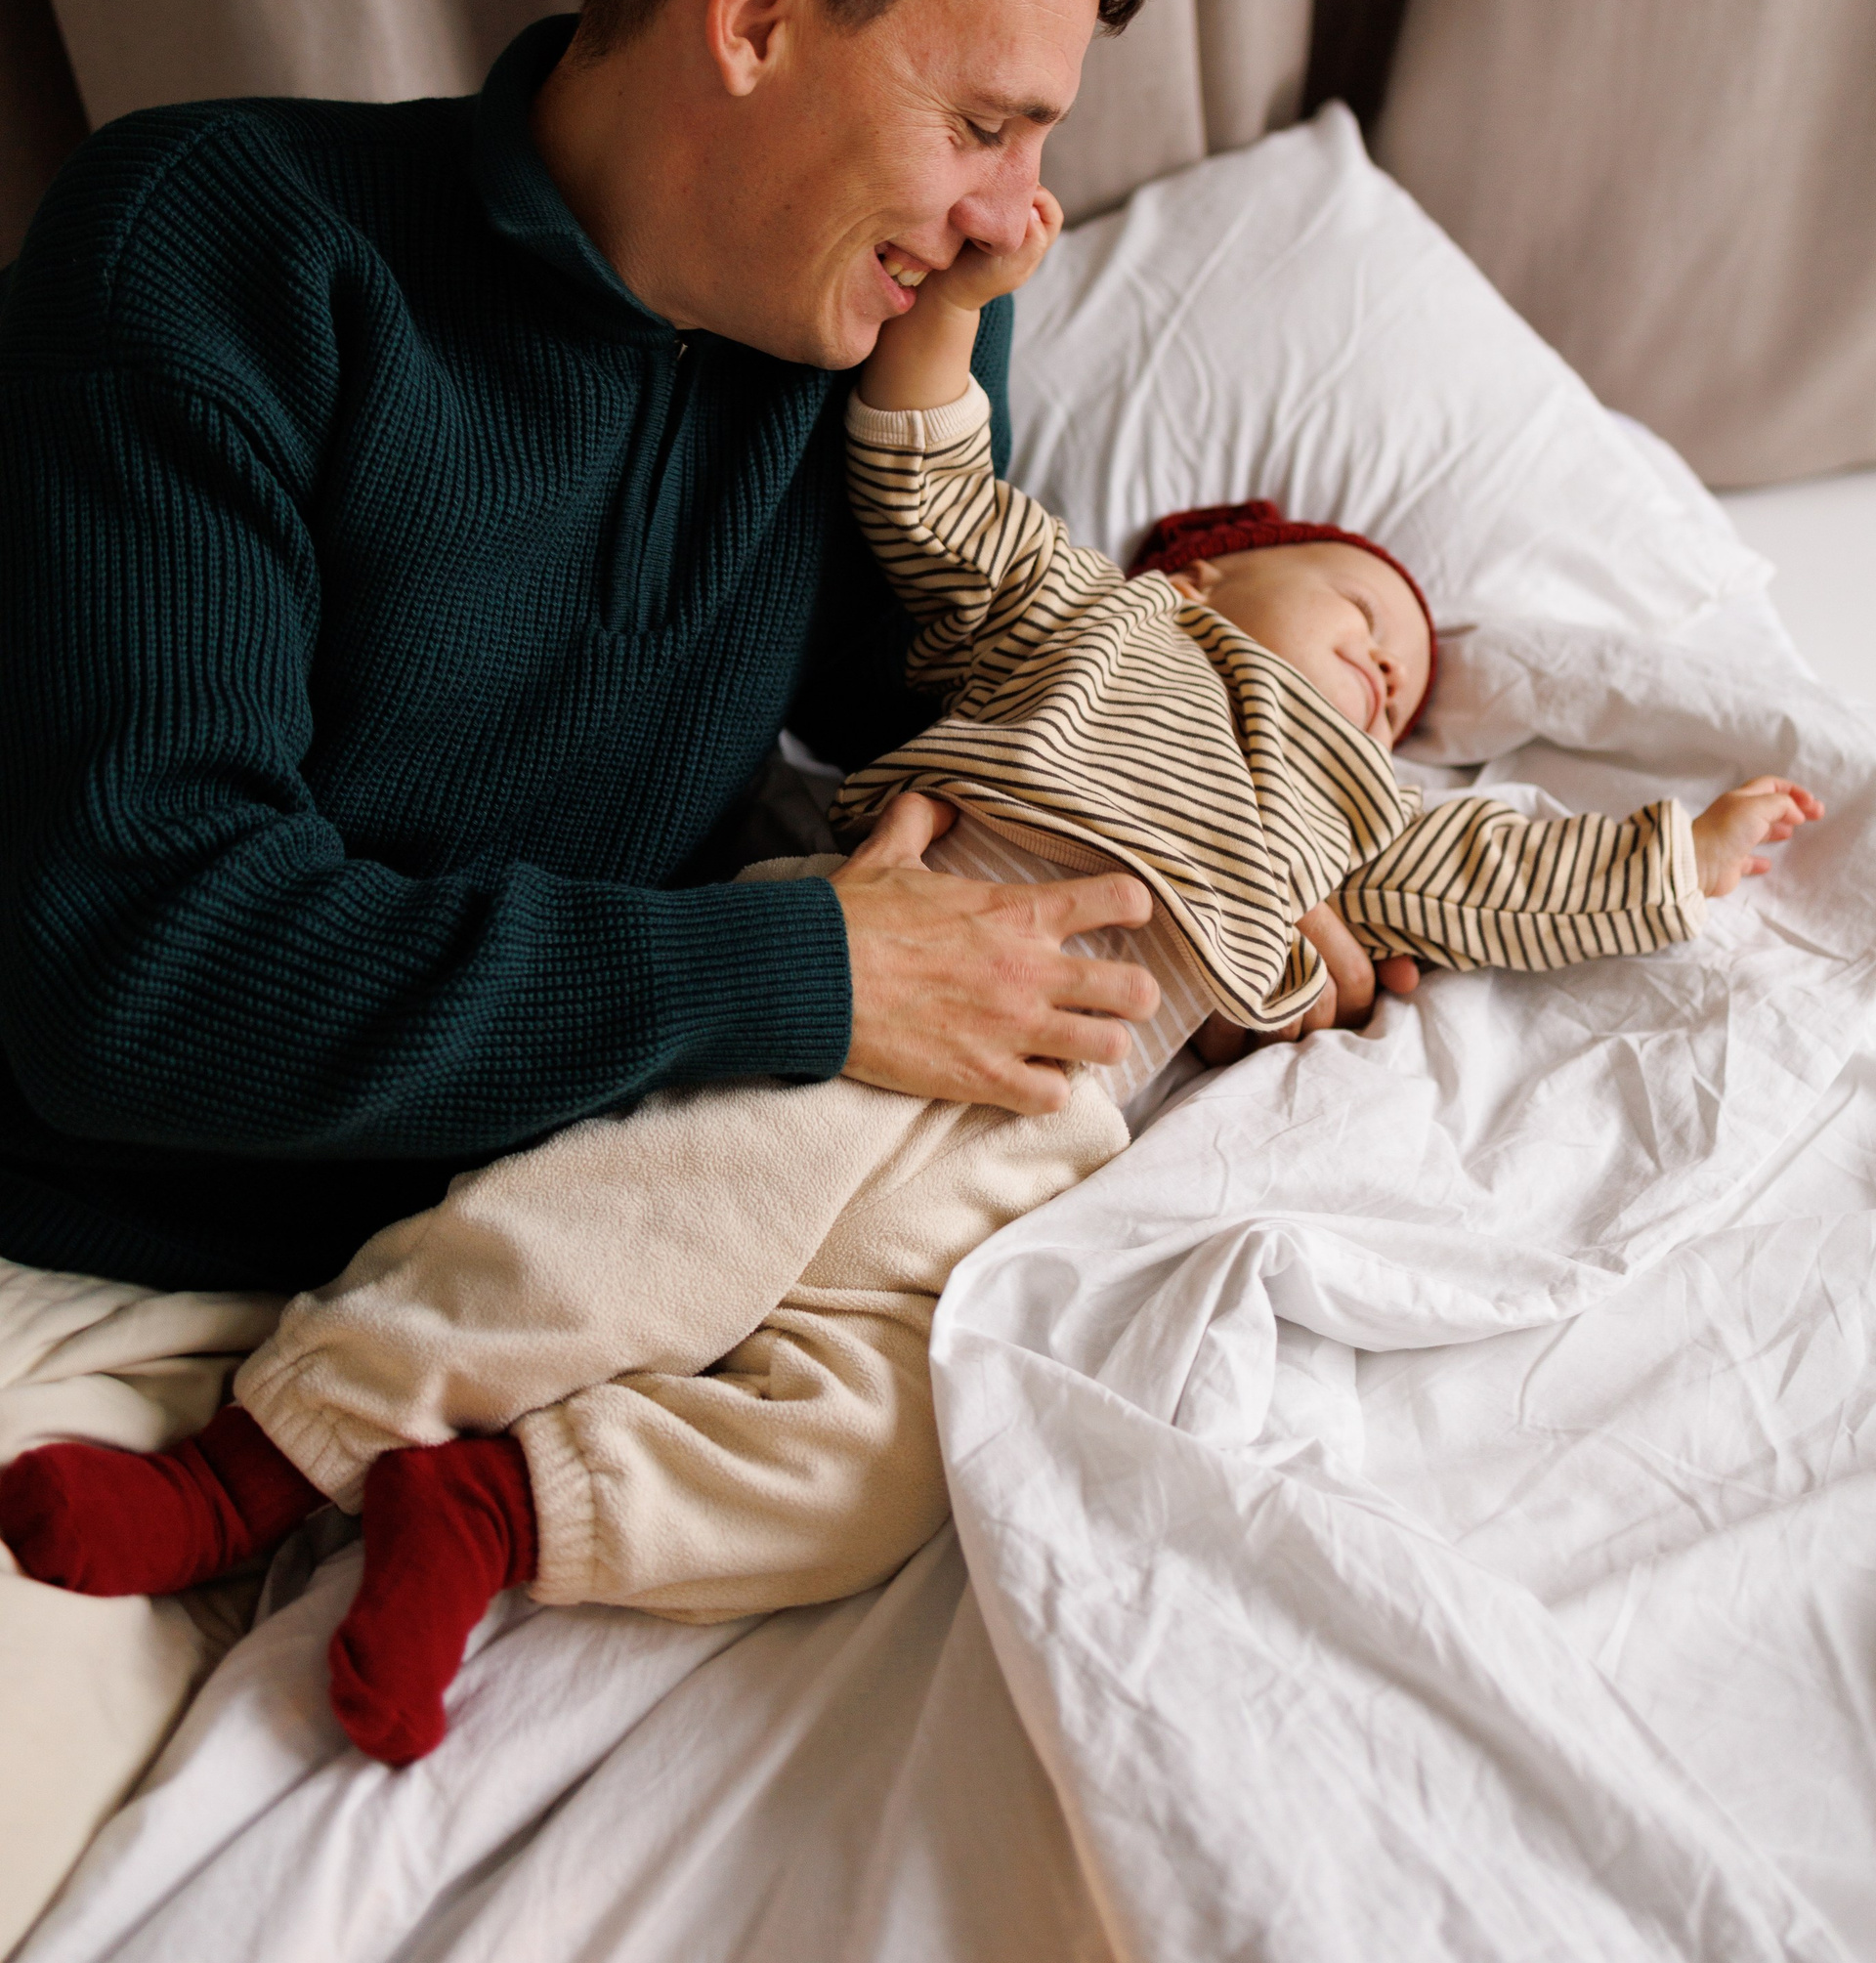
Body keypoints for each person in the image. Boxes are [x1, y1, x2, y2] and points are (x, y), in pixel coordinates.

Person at [0, 0, 1291, 1947]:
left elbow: (974, 720)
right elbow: (140, 968)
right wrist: (795, 974)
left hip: (560, 1274)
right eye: (986, 126)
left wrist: (1271, 843)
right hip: (121, 1267)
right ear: (760, 8)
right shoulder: (220, 254)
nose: (1018, 215)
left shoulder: (834, 357)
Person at [2, 196, 1819, 1766]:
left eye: (1405, 690)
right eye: (1361, 616)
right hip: (896, 954)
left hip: (1054, 1112)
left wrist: (1687, 853)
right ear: (1210, 571)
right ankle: (252, 1470)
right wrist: (954, 313)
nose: (1386, 678)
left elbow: (1504, 878)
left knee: (888, 1445)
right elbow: (936, 489)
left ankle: (500, 1509)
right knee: (630, 1226)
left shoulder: (1360, 817)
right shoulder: (1100, 622)